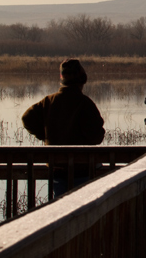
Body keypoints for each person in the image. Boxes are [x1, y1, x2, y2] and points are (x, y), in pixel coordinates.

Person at [22, 58, 105, 196]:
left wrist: (45, 136)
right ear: (82, 80)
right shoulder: (85, 104)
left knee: (59, 206)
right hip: (82, 169)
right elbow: (97, 137)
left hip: (56, 168)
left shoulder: (48, 101)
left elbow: (27, 118)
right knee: (82, 208)